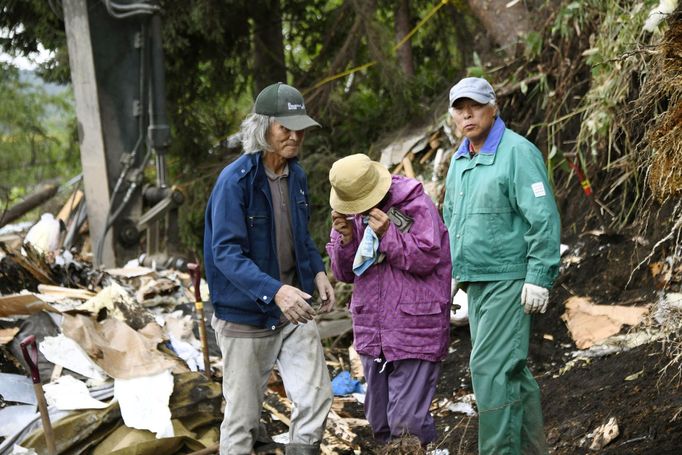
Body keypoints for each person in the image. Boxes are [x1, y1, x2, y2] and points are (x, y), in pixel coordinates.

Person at [204, 82, 335, 455]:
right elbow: (225, 254)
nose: (295, 137)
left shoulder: (297, 176)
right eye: (285, 129)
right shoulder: (235, 182)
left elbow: (301, 236)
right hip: (247, 317)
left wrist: (317, 272)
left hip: (294, 308)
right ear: (264, 129)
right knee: (243, 420)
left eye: (300, 129)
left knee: (315, 397)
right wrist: (274, 290)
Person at [443, 77, 561, 454]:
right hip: (476, 283)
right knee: (512, 373)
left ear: (493, 108)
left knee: (491, 373)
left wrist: (539, 275)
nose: (467, 114)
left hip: (509, 281)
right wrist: (451, 277)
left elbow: (542, 217)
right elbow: (451, 221)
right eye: (460, 108)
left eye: (474, 106)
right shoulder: (460, 160)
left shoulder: (516, 152)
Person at [325, 153, 451, 447]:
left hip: (414, 326)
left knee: (407, 425)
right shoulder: (350, 211)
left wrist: (388, 233)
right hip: (373, 329)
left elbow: (427, 258)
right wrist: (345, 241)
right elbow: (344, 273)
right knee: (379, 422)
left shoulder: (414, 202)